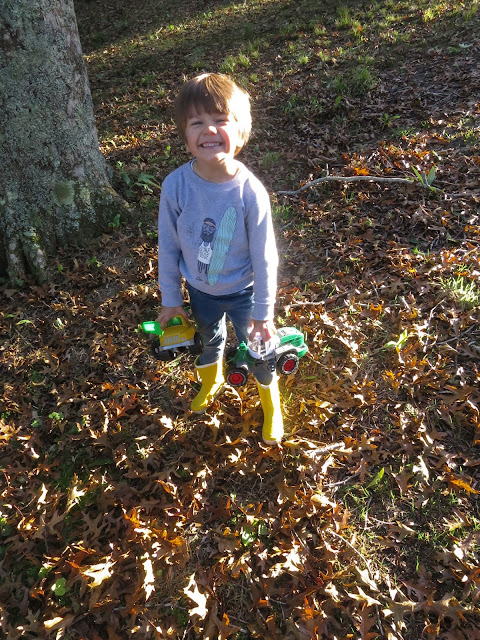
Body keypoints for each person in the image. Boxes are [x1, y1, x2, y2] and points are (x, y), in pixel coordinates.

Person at [156, 73, 283, 444]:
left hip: (245, 294)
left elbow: (265, 258)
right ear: (185, 135)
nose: (209, 130)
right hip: (201, 292)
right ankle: (211, 383)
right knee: (210, 341)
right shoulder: (175, 186)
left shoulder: (250, 192)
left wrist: (263, 314)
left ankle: (271, 402)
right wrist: (171, 300)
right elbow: (168, 247)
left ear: (240, 131)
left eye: (220, 120)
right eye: (197, 122)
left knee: (260, 350)